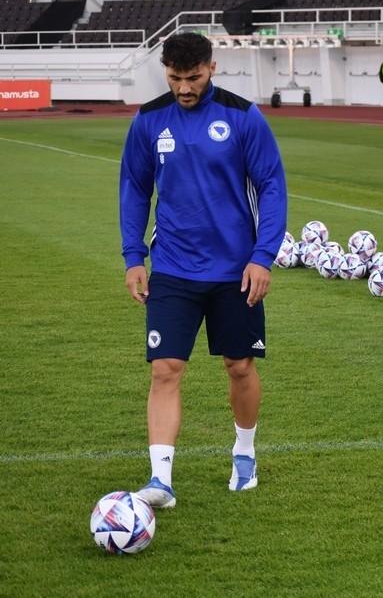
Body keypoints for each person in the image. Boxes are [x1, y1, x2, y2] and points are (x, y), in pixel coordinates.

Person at [119, 32, 288, 507]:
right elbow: (135, 187)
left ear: (211, 68)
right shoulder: (150, 119)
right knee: (165, 369)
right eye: (175, 78)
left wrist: (263, 256)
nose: (184, 88)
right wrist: (134, 256)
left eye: (193, 77)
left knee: (239, 366)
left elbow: (272, 185)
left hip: (236, 269)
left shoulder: (241, 116)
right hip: (172, 266)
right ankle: (160, 481)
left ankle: (244, 452)